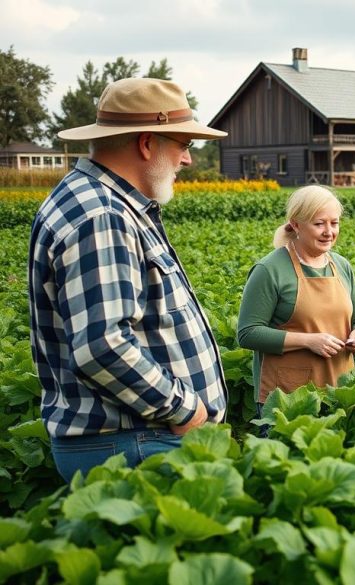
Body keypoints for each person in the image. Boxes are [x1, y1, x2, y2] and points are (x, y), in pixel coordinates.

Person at [28, 78, 229, 482]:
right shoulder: (102, 215)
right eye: (183, 145)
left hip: (134, 438)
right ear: (146, 143)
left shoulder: (100, 201)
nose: (187, 159)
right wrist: (186, 410)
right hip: (134, 442)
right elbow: (103, 345)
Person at [237, 186, 355, 414]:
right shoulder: (270, 269)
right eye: (319, 224)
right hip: (288, 398)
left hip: (340, 391)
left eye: (334, 223)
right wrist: (308, 341)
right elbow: (248, 333)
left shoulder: (341, 265)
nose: (329, 231)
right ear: (296, 224)